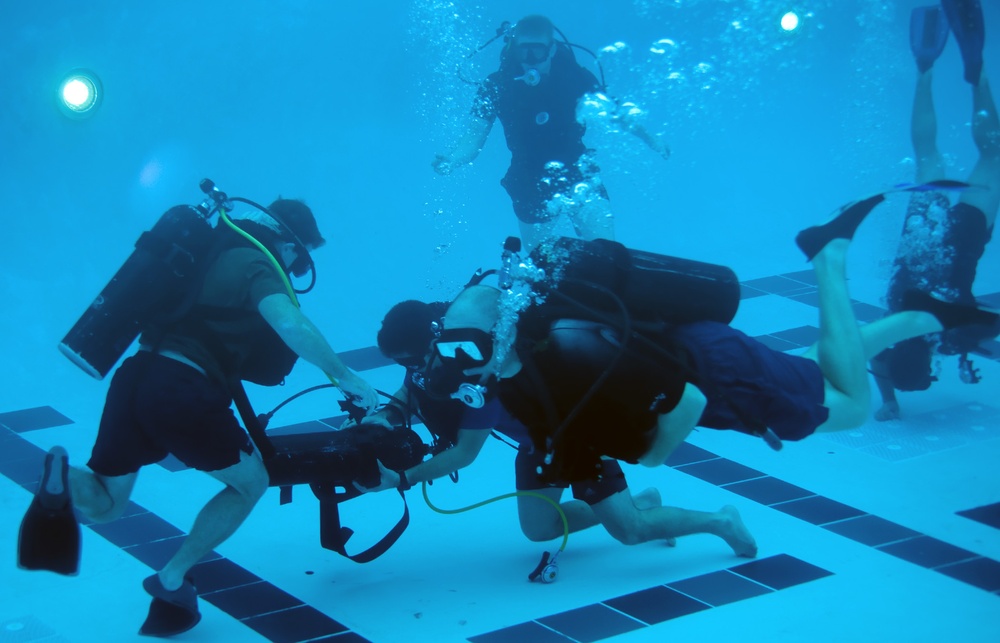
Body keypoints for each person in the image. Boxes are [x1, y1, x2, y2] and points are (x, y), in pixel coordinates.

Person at [425, 195, 999, 482]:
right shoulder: (529, 339)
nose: (471, 380)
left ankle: (830, 253)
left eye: (470, 365)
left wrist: (651, 457)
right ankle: (926, 318)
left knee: (849, 404)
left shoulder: (565, 347)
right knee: (815, 371)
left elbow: (687, 403)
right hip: (707, 355)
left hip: (716, 374)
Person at [20, 200, 378, 637]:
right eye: (299, 257)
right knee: (252, 482)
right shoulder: (256, 262)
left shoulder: (202, 251)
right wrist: (345, 376)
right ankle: (172, 578)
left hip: (135, 377)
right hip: (182, 390)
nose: (295, 267)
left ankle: (59, 476)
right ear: (287, 242)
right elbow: (290, 326)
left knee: (107, 504)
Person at [356, 299, 757, 560]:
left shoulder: (478, 373)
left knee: (631, 533)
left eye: (412, 359)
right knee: (539, 529)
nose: (410, 370)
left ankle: (719, 520)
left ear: (431, 344)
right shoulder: (438, 361)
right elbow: (412, 388)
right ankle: (642, 500)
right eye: (401, 364)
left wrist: (402, 479)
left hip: (576, 439)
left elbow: (464, 453)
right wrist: (386, 416)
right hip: (538, 443)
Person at [432, 14, 671, 250]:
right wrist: (452, 160)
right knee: (540, 264)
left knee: (607, 252)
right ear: (513, 50)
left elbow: (616, 114)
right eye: (523, 52)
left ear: (553, 49)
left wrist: (652, 139)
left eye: (538, 51)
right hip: (527, 179)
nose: (530, 61)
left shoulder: (576, 78)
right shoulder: (496, 86)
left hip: (579, 172)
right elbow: (473, 138)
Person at [872, 0, 999, 420]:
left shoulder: (952, 336)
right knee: (927, 155)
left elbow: (992, 331)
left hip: (962, 242)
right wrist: (888, 402)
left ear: (928, 363)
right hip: (923, 235)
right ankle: (924, 70)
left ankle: (975, 70)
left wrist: (967, 353)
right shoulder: (885, 335)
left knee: (993, 155)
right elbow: (880, 368)